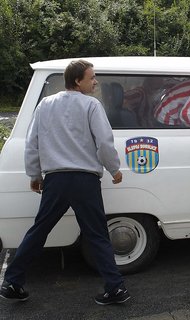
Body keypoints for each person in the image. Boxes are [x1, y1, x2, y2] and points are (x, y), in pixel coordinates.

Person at [0, 59, 130, 305]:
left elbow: (33, 143)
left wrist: (35, 175)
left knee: (39, 230)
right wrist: (114, 170)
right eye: (91, 78)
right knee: (97, 234)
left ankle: (12, 282)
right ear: (78, 81)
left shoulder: (45, 105)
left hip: (56, 180)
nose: (95, 82)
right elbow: (104, 142)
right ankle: (115, 288)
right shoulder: (92, 105)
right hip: (84, 180)